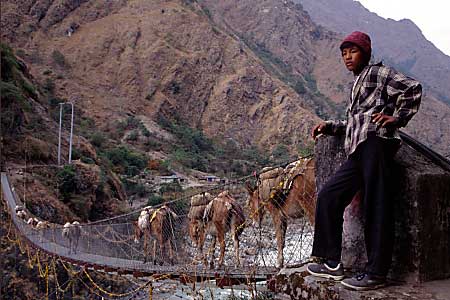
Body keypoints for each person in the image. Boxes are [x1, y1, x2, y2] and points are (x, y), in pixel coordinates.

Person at [307, 31, 422, 290]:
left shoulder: (376, 73)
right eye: (344, 53)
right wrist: (331, 126)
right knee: (329, 195)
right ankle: (331, 261)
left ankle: (376, 273)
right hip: (359, 148)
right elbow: (356, 121)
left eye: (353, 51)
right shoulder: (358, 81)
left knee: (376, 204)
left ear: (366, 53)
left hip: (377, 144)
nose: (347, 57)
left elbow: (412, 88)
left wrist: (398, 118)